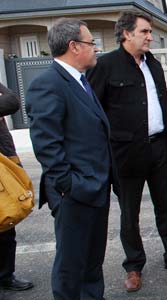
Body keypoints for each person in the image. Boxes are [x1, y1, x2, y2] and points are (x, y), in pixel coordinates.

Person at [86, 11, 167, 292]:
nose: (149, 36)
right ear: (126, 33)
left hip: (158, 147)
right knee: (129, 213)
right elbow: (92, 112)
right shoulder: (105, 65)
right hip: (125, 153)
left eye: (150, 32)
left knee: (165, 207)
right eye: (144, 31)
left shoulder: (153, 64)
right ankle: (134, 266)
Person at [26, 18, 114, 299]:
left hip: (94, 188)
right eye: (91, 43)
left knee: (91, 264)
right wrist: (69, 185)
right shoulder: (48, 84)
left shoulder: (80, 81)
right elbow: (46, 144)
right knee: (71, 268)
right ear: (73, 46)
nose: (96, 49)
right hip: (75, 193)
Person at [0, 83, 34, 292]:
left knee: (6, 220)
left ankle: (5, 275)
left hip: (4, 161)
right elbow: (8, 100)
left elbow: (11, 101)